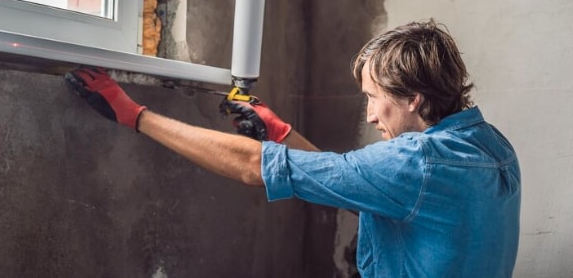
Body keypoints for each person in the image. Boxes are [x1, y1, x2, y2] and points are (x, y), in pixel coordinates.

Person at [64, 20, 521, 278]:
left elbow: (250, 167)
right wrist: (281, 133)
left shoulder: (414, 162)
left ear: (413, 99)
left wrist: (134, 114)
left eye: (372, 98)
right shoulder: (491, 145)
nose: (369, 116)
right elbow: (360, 182)